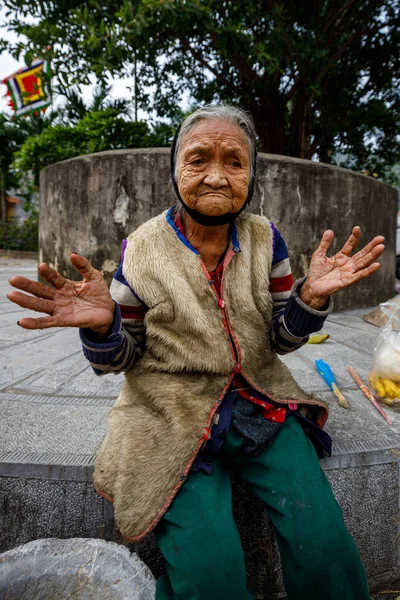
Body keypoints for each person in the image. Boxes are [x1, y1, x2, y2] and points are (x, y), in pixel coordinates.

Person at [7, 105, 384, 600]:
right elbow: (121, 357)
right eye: (198, 159)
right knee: (211, 574)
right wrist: (103, 328)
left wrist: (310, 299)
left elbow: (280, 338)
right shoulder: (142, 248)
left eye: (234, 162)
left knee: (325, 546)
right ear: (174, 169)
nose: (215, 176)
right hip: (170, 415)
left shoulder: (266, 240)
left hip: (260, 407)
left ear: (252, 175)